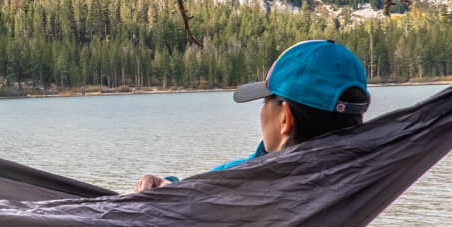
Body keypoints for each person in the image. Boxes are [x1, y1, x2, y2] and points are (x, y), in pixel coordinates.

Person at [134, 39, 370, 191]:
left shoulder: (251, 189)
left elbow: (216, 190)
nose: (261, 111)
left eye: (267, 100)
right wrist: (174, 188)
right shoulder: (359, 178)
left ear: (285, 118)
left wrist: (171, 195)